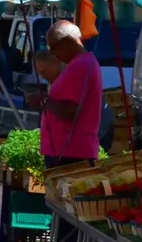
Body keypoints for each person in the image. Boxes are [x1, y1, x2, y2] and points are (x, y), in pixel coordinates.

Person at [40, 20, 104, 167]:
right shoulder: (81, 63)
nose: (51, 53)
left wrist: (44, 101)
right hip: (68, 152)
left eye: (53, 47)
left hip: (70, 153)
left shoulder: (80, 66)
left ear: (68, 42)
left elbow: (70, 112)